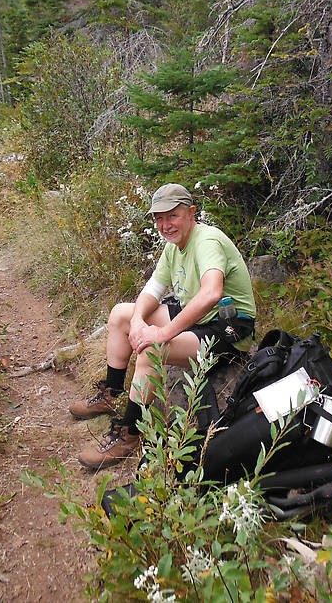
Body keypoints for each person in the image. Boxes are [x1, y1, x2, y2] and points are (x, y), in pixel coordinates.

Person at [70, 183, 257, 469]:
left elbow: (211, 294)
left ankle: (129, 434)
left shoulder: (206, 242)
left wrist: (162, 333)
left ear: (191, 213)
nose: (164, 225)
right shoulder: (175, 246)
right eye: (159, 218)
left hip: (227, 329)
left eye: (172, 216)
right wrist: (136, 321)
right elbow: (153, 289)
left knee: (151, 350)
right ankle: (112, 393)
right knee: (121, 314)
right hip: (197, 318)